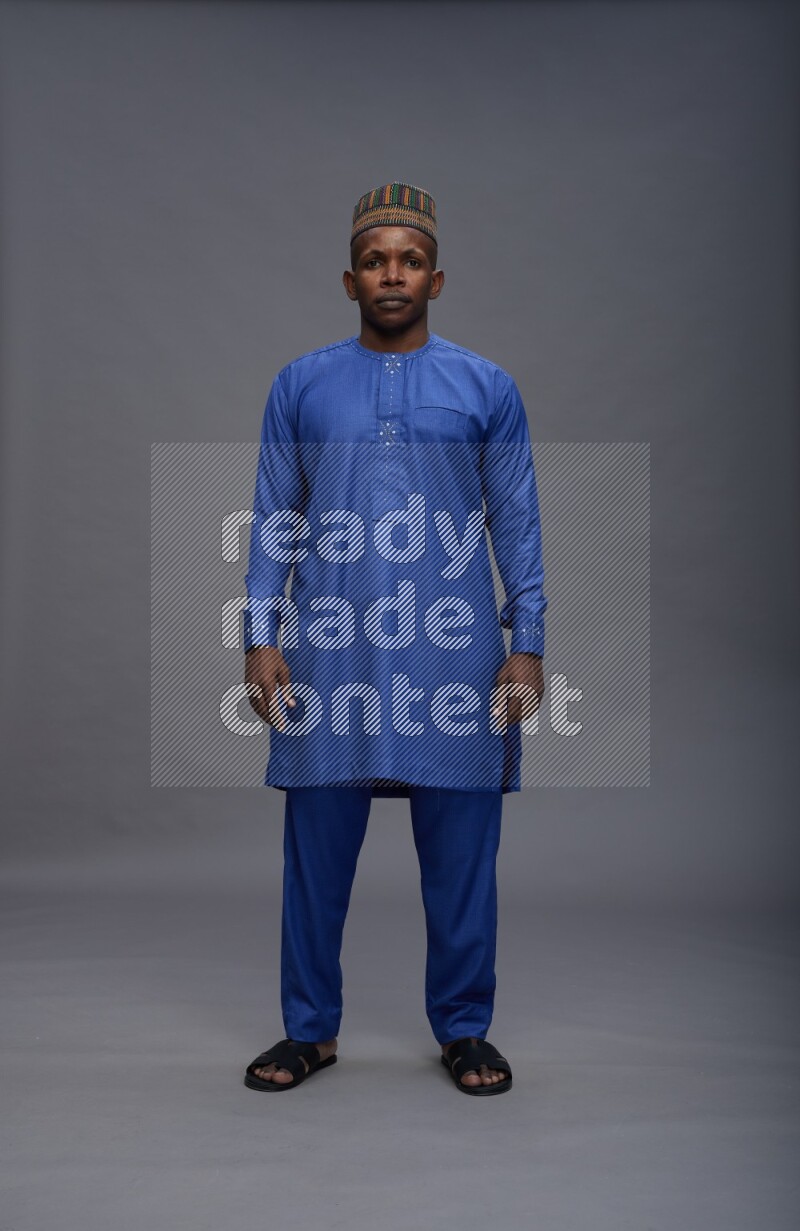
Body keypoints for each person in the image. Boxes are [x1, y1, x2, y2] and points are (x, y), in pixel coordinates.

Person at [241, 182, 547, 1095]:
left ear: (437, 278)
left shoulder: (486, 386)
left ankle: (464, 1028)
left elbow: (517, 519)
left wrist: (525, 638)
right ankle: (309, 1030)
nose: (392, 274)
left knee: (462, 852)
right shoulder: (300, 384)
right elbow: (272, 518)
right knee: (315, 850)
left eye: (409, 260)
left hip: (452, 653)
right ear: (348, 278)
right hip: (331, 646)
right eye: (375, 260)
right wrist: (260, 634)